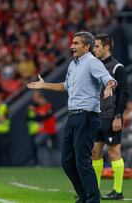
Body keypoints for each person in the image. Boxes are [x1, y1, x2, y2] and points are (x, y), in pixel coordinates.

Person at [27, 31, 116, 203]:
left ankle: (92, 199)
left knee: (82, 160)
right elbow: (66, 86)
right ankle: (84, 196)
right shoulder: (73, 65)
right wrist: (44, 85)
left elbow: (108, 79)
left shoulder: (92, 62)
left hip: (87, 116)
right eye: (72, 43)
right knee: (67, 161)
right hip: (73, 116)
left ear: (87, 46)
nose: (71, 46)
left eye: (76, 43)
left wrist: (109, 87)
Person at [92, 34, 129, 200]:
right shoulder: (94, 66)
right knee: (95, 153)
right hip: (96, 116)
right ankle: (95, 190)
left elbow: (123, 93)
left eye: (97, 46)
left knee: (114, 153)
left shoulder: (117, 68)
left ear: (107, 47)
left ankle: (118, 190)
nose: (94, 49)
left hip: (110, 116)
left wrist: (118, 116)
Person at [27, 91, 57, 166]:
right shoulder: (39, 108)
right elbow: (35, 118)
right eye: (39, 99)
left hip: (50, 131)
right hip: (42, 131)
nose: (40, 101)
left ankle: (50, 163)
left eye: (41, 99)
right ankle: (43, 164)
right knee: (43, 147)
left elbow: (45, 116)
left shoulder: (49, 106)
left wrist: (37, 113)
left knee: (39, 142)